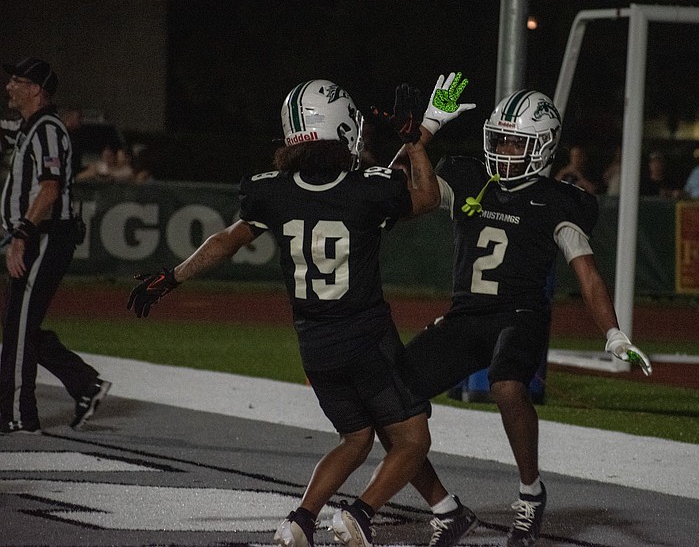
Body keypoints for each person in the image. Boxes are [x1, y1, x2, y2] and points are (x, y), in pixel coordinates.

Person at [127, 75, 471, 547]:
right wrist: (417, 138)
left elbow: (225, 241)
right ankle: (359, 515)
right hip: (367, 336)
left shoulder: (273, 192)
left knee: (356, 439)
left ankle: (301, 520)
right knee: (412, 440)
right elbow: (424, 197)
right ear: (341, 128)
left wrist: (173, 276)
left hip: (314, 343)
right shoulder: (367, 189)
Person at [391, 89, 652, 547]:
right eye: (500, 140)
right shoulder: (469, 177)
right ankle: (445, 509)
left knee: (507, 385)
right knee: (389, 401)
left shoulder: (560, 200)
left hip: (521, 314)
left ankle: (531, 493)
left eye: (516, 143)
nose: (505, 151)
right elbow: (392, 193)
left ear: (544, 146)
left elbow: (587, 274)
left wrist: (612, 332)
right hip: (466, 315)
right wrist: (424, 132)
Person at [0, 57, 111, 435]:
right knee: (19, 324)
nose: (9, 86)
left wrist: (21, 235)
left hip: (45, 236)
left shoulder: (47, 129)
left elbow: (49, 190)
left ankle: (19, 415)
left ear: (35, 89)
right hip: (39, 235)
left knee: (17, 327)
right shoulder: (31, 127)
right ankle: (84, 384)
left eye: (16, 80)